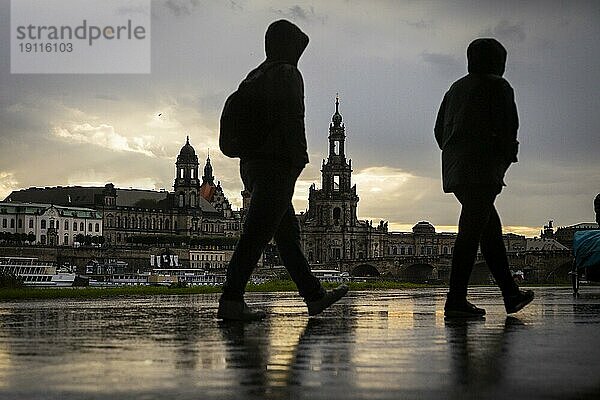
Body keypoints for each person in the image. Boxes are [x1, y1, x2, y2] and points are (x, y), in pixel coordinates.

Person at [217, 20, 348, 321]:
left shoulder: (254, 77)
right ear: (288, 46)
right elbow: (291, 121)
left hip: (252, 165)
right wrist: (297, 162)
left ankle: (313, 295)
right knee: (257, 233)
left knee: (287, 235)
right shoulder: (288, 73)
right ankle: (231, 299)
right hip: (276, 163)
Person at [434, 38, 534, 318]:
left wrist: (454, 151)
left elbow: (438, 130)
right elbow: (508, 128)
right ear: (494, 61)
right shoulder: (497, 86)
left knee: (489, 232)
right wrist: (503, 160)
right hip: (482, 169)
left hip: (456, 169)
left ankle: (510, 294)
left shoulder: (455, 88)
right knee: (470, 233)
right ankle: (455, 300)